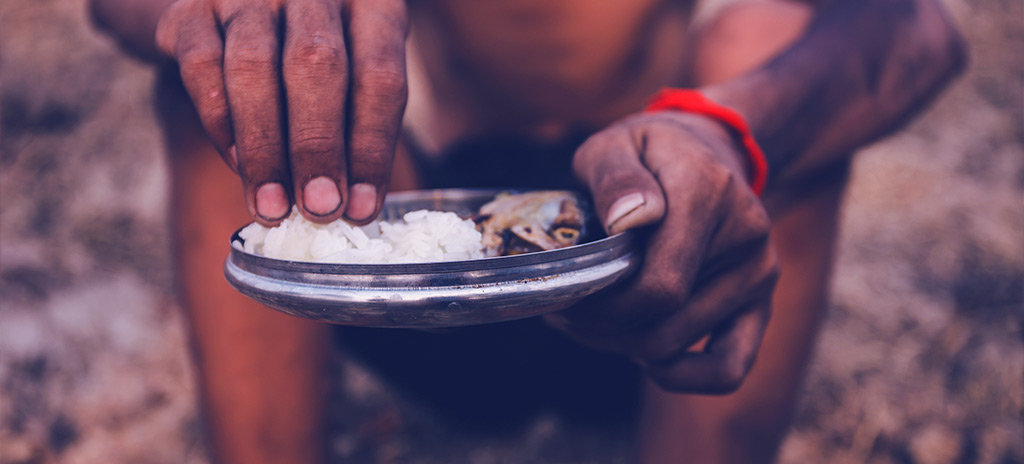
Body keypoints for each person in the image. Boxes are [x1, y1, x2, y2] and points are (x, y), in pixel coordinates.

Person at [90, 0, 965, 462]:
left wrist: (727, 128)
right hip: (428, 274)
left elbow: (913, 23)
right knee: (249, 87)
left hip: (666, 281)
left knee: (770, 71)